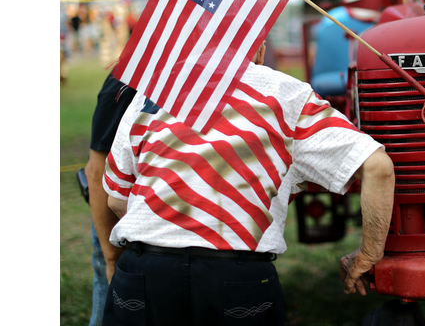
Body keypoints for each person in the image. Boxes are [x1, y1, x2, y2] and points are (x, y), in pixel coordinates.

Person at [100, 42, 395, 325]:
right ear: (260, 49)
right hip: (235, 275)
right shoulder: (286, 93)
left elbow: (115, 199)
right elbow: (378, 167)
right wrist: (369, 254)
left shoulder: (153, 92)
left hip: (144, 270)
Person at [83, 74, 137, 326]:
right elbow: (96, 171)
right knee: (110, 294)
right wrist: (111, 255)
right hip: (117, 218)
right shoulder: (125, 83)